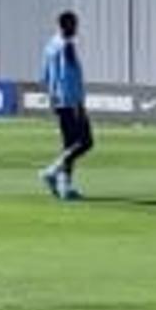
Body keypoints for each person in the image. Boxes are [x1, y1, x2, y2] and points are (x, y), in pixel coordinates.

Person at [38, 10, 93, 199]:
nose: (76, 29)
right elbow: (70, 77)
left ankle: (64, 187)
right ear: (66, 25)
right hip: (71, 102)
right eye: (74, 25)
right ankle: (52, 171)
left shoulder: (50, 45)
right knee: (85, 142)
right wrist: (78, 103)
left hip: (59, 101)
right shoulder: (66, 46)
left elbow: (44, 76)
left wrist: (52, 97)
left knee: (70, 144)